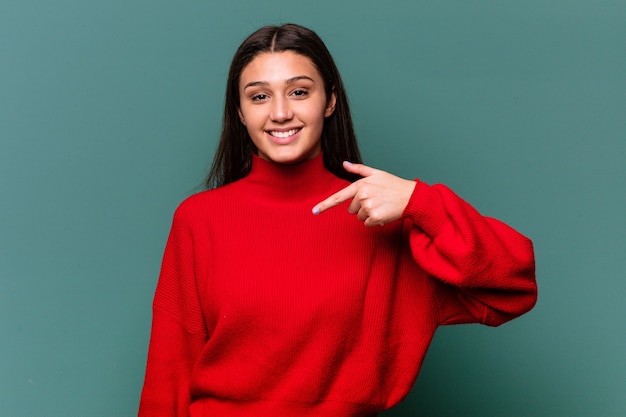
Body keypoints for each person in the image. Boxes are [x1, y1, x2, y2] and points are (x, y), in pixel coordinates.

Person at [138, 23, 537, 417]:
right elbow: (167, 375)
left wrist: (421, 201)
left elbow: (514, 285)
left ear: (329, 101)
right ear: (240, 113)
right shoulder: (199, 219)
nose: (280, 113)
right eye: (259, 96)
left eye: (298, 92)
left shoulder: (383, 221)